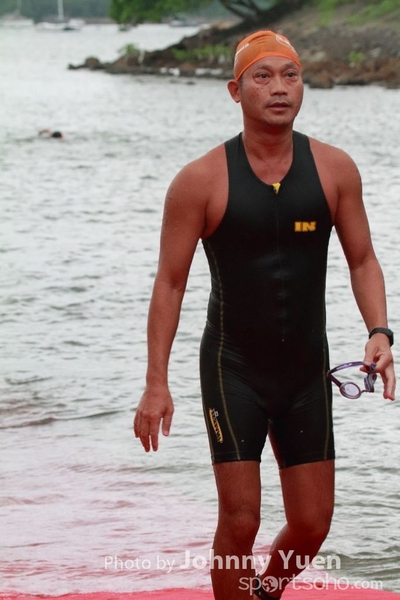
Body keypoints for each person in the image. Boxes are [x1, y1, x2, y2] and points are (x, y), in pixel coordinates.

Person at [134, 30, 395, 600]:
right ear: (236, 90)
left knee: (311, 524)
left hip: (305, 371)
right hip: (233, 370)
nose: (279, 88)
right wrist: (157, 382)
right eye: (263, 76)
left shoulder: (335, 170)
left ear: (302, 85)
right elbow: (170, 284)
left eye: (290, 75)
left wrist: (379, 330)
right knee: (241, 520)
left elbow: (363, 259)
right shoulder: (200, 181)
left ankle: (262, 594)